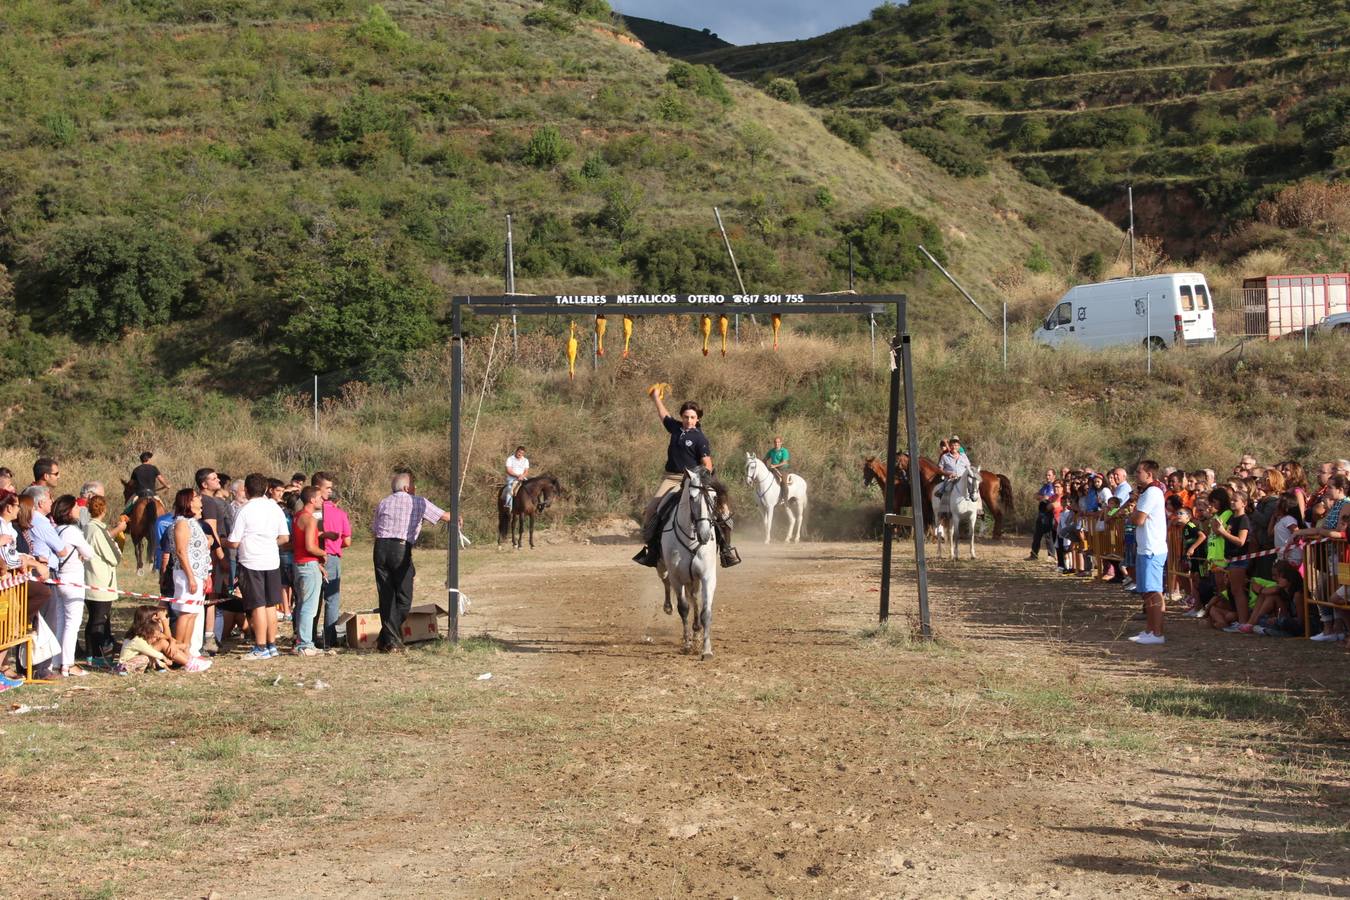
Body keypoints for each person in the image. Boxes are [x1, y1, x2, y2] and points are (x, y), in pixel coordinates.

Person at [632, 387, 739, 569]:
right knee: (651, 510)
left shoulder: (700, 439)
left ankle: (726, 551)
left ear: (697, 419)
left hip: (694, 479)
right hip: (672, 478)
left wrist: (697, 478)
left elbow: (708, 465)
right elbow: (663, 415)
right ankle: (652, 551)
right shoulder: (675, 428)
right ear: (681, 417)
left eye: (692, 417)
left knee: (724, 511)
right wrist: (656, 398)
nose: (689, 420)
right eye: (686, 417)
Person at [371, 469, 452, 653]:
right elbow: (444, 516)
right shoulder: (418, 501)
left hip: (380, 548)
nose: (415, 487)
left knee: (386, 595)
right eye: (413, 484)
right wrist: (457, 517)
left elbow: (375, 528)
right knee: (404, 599)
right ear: (407, 488)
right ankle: (389, 639)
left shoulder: (383, 502)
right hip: (400, 549)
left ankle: (387, 641)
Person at [225, 473, 290, 661]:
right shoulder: (274, 508)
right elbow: (284, 538)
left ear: (246, 490)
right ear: (266, 489)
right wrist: (269, 543)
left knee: (257, 605)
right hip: (272, 560)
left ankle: (260, 646)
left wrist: (222, 542)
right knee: (271, 605)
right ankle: (271, 645)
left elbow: (234, 542)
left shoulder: (244, 510)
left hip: (251, 561)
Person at [50, 495, 94, 677]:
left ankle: (56, 661)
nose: (79, 510)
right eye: (76, 507)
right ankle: (68, 664)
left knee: (60, 621)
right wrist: (81, 555)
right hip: (73, 580)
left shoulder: (55, 529)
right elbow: (89, 553)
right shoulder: (73, 531)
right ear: (68, 511)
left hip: (58, 580)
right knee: (72, 624)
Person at [1127, 460, 1168, 645]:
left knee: (1153, 592)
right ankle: (1150, 630)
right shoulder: (1147, 493)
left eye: (1139, 472)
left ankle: (1157, 633)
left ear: (1149, 474)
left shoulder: (1152, 492)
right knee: (1146, 592)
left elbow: (1138, 519)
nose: (1136, 475)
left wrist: (1132, 513)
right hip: (1145, 548)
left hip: (1153, 549)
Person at [169, 488, 213, 657]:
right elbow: (181, 551)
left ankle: (187, 650)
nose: (200, 500)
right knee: (186, 613)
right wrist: (191, 578)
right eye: (196, 497)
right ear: (188, 502)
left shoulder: (193, 522)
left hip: (198, 573)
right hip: (187, 574)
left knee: (193, 613)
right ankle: (178, 651)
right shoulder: (181, 523)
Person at [290, 485, 332, 657]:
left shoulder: (297, 516)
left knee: (301, 604)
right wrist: (323, 553)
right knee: (309, 607)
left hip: (298, 564)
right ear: (313, 500)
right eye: (321, 498)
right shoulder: (310, 519)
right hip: (308, 565)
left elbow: (297, 544)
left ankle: (300, 641)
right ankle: (306, 644)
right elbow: (310, 546)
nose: (323, 501)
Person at [312, 472, 351, 652]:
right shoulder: (340, 514)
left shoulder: (310, 511)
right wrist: (336, 544)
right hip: (332, 557)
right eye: (327, 487)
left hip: (312, 556)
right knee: (332, 599)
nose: (330, 490)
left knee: (313, 600)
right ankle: (330, 638)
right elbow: (347, 541)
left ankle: (309, 636)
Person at [82, 494, 121, 662]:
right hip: (101, 581)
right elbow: (113, 556)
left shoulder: (86, 528)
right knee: (99, 620)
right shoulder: (97, 529)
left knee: (93, 619)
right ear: (103, 509)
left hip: (90, 579)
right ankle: (96, 655)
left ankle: (92, 653)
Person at [764, 436, 790, 506]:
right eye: (775, 442)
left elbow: (785, 462)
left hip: (783, 469)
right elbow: (765, 459)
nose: (776, 444)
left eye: (778, 442)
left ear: (781, 443)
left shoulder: (784, 451)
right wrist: (765, 466)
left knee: (784, 482)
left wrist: (775, 466)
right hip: (773, 469)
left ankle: (785, 499)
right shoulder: (771, 451)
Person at [503, 447, 530, 512]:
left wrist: (522, 476)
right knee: (510, 489)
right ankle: (508, 505)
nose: (520, 454)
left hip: (522, 478)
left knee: (531, 487)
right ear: (516, 451)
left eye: (522, 453)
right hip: (512, 478)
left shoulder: (525, 460)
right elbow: (508, 470)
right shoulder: (510, 459)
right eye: (519, 452)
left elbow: (526, 471)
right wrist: (517, 475)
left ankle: (534, 505)